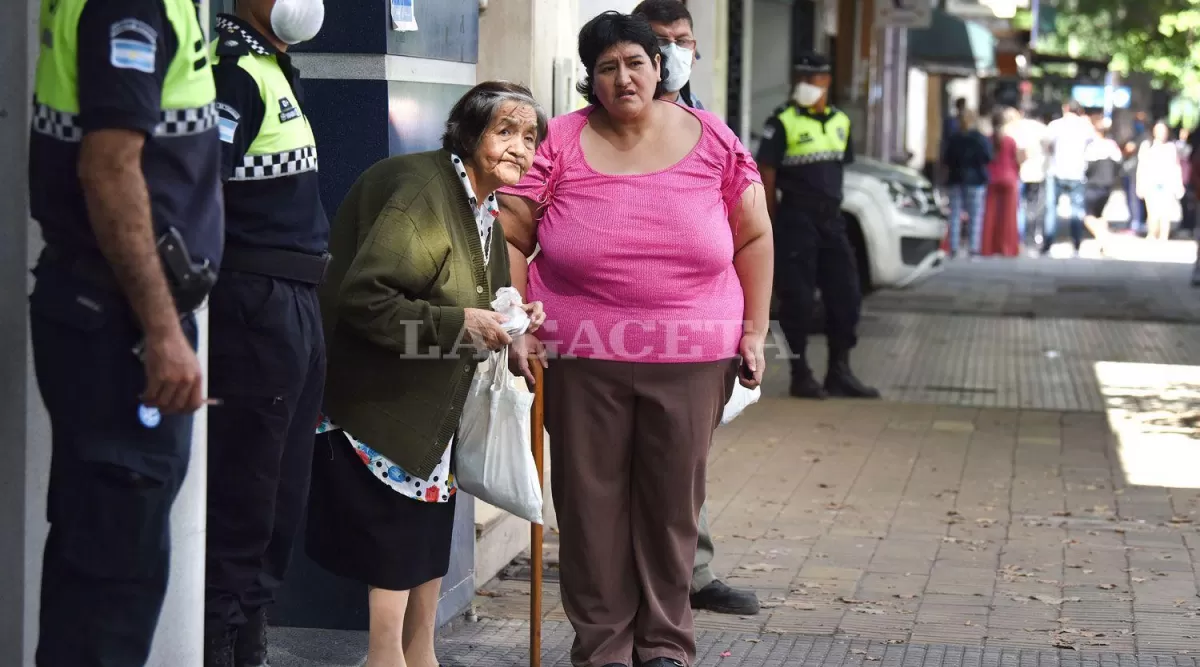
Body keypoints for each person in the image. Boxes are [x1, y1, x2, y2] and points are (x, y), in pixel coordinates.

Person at [498, 12, 773, 667]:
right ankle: (603, 648)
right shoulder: (559, 140)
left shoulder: (714, 140)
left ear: (659, 66)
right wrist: (517, 326)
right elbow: (511, 233)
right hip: (578, 355)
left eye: (636, 62)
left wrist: (756, 332)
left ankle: (664, 645)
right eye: (607, 67)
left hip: (693, 355)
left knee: (672, 506)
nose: (624, 78)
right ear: (591, 79)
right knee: (591, 510)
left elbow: (755, 236)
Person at [307, 81, 546, 667]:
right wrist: (463, 323)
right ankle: (385, 657)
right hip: (385, 396)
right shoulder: (421, 188)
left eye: (530, 137)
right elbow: (367, 300)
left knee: (427, 533)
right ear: (468, 135)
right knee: (395, 537)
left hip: (432, 401)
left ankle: (421, 652)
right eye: (505, 131)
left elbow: (475, 294)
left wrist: (510, 325)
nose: (520, 147)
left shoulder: (483, 205)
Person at [27, 0, 222, 664]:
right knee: (114, 576)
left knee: (103, 560)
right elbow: (109, 167)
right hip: (120, 324)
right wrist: (164, 330)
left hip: (111, 314)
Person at [203, 2, 328, 665]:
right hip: (254, 304)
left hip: (294, 301)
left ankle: (251, 640)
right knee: (245, 496)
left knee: (282, 498)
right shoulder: (232, 73)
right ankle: (221, 645)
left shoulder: (272, 65)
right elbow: (203, 191)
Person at [634, 0, 761, 617]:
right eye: (660, 41)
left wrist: (750, 327)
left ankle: (691, 573)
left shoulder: (710, 128)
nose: (674, 52)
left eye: (683, 39)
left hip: (696, 333)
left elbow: (749, 231)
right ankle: (637, 586)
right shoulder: (598, 126)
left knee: (686, 460)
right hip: (619, 336)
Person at [757, 51, 879, 400]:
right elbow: (766, 172)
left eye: (814, 78)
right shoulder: (781, 120)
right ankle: (800, 373)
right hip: (796, 218)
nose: (807, 85)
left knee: (847, 295)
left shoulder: (841, 121)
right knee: (796, 300)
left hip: (832, 220)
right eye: (802, 78)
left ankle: (839, 371)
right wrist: (769, 220)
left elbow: (840, 169)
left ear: (827, 81)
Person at [633, 0, 704, 110]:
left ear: (693, 51)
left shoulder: (696, 107)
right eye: (660, 41)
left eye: (681, 41)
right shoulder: (622, 110)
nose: (673, 52)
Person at [1043, 101, 1093, 256]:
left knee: (1051, 209)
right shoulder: (1085, 127)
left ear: (1065, 109)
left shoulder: (1055, 125)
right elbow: (1091, 144)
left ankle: (1048, 245)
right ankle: (1076, 245)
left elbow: (1047, 145)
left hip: (1056, 170)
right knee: (1076, 211)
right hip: (1077, 172)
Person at [942, 108, 991, 257]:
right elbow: (988, 157)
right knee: (975, 215)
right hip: (975, 179)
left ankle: (954, 247)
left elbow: (946, 159)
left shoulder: (953, 138)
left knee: (955, 214)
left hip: (956, 178)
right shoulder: (980, 138)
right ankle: (973, 248)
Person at [981, 109, 1022, 257]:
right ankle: (1008, 248)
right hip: (1009, 178)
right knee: (1009, 216)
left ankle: (987, 248)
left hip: (992, 178)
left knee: (989, 214)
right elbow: (1017, 160)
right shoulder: (1010, 141)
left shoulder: (987, 140)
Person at [1081, 118, 1123, 255]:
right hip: (1107, 185)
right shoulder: (1112, 146)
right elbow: (1118, 164)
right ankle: (1102, 244)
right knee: (1099, 215)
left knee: (1088, 216)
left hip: (1094, 184)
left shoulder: (1093, 147)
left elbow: (1086, 167)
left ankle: (1103, 237)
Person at [1137, 120, 1184, 242]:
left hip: (1166, 183)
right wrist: (1139, 184)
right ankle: (1152, 234)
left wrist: (1178, 184)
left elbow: (1176, 166)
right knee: (1152, 211)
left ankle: (1164, 235)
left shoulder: (1171, 147)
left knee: (1165, 212)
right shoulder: (1147, 146)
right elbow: (1141, 166)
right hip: (1151, 182)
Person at [1013, 109, 1047, 246]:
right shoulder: (1042, 129)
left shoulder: (1016, 128)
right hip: (1037, 172)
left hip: (1020, 171)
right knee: (1035, 206)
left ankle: (1019, 235)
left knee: (1020, 205)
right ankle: (1032, 234)